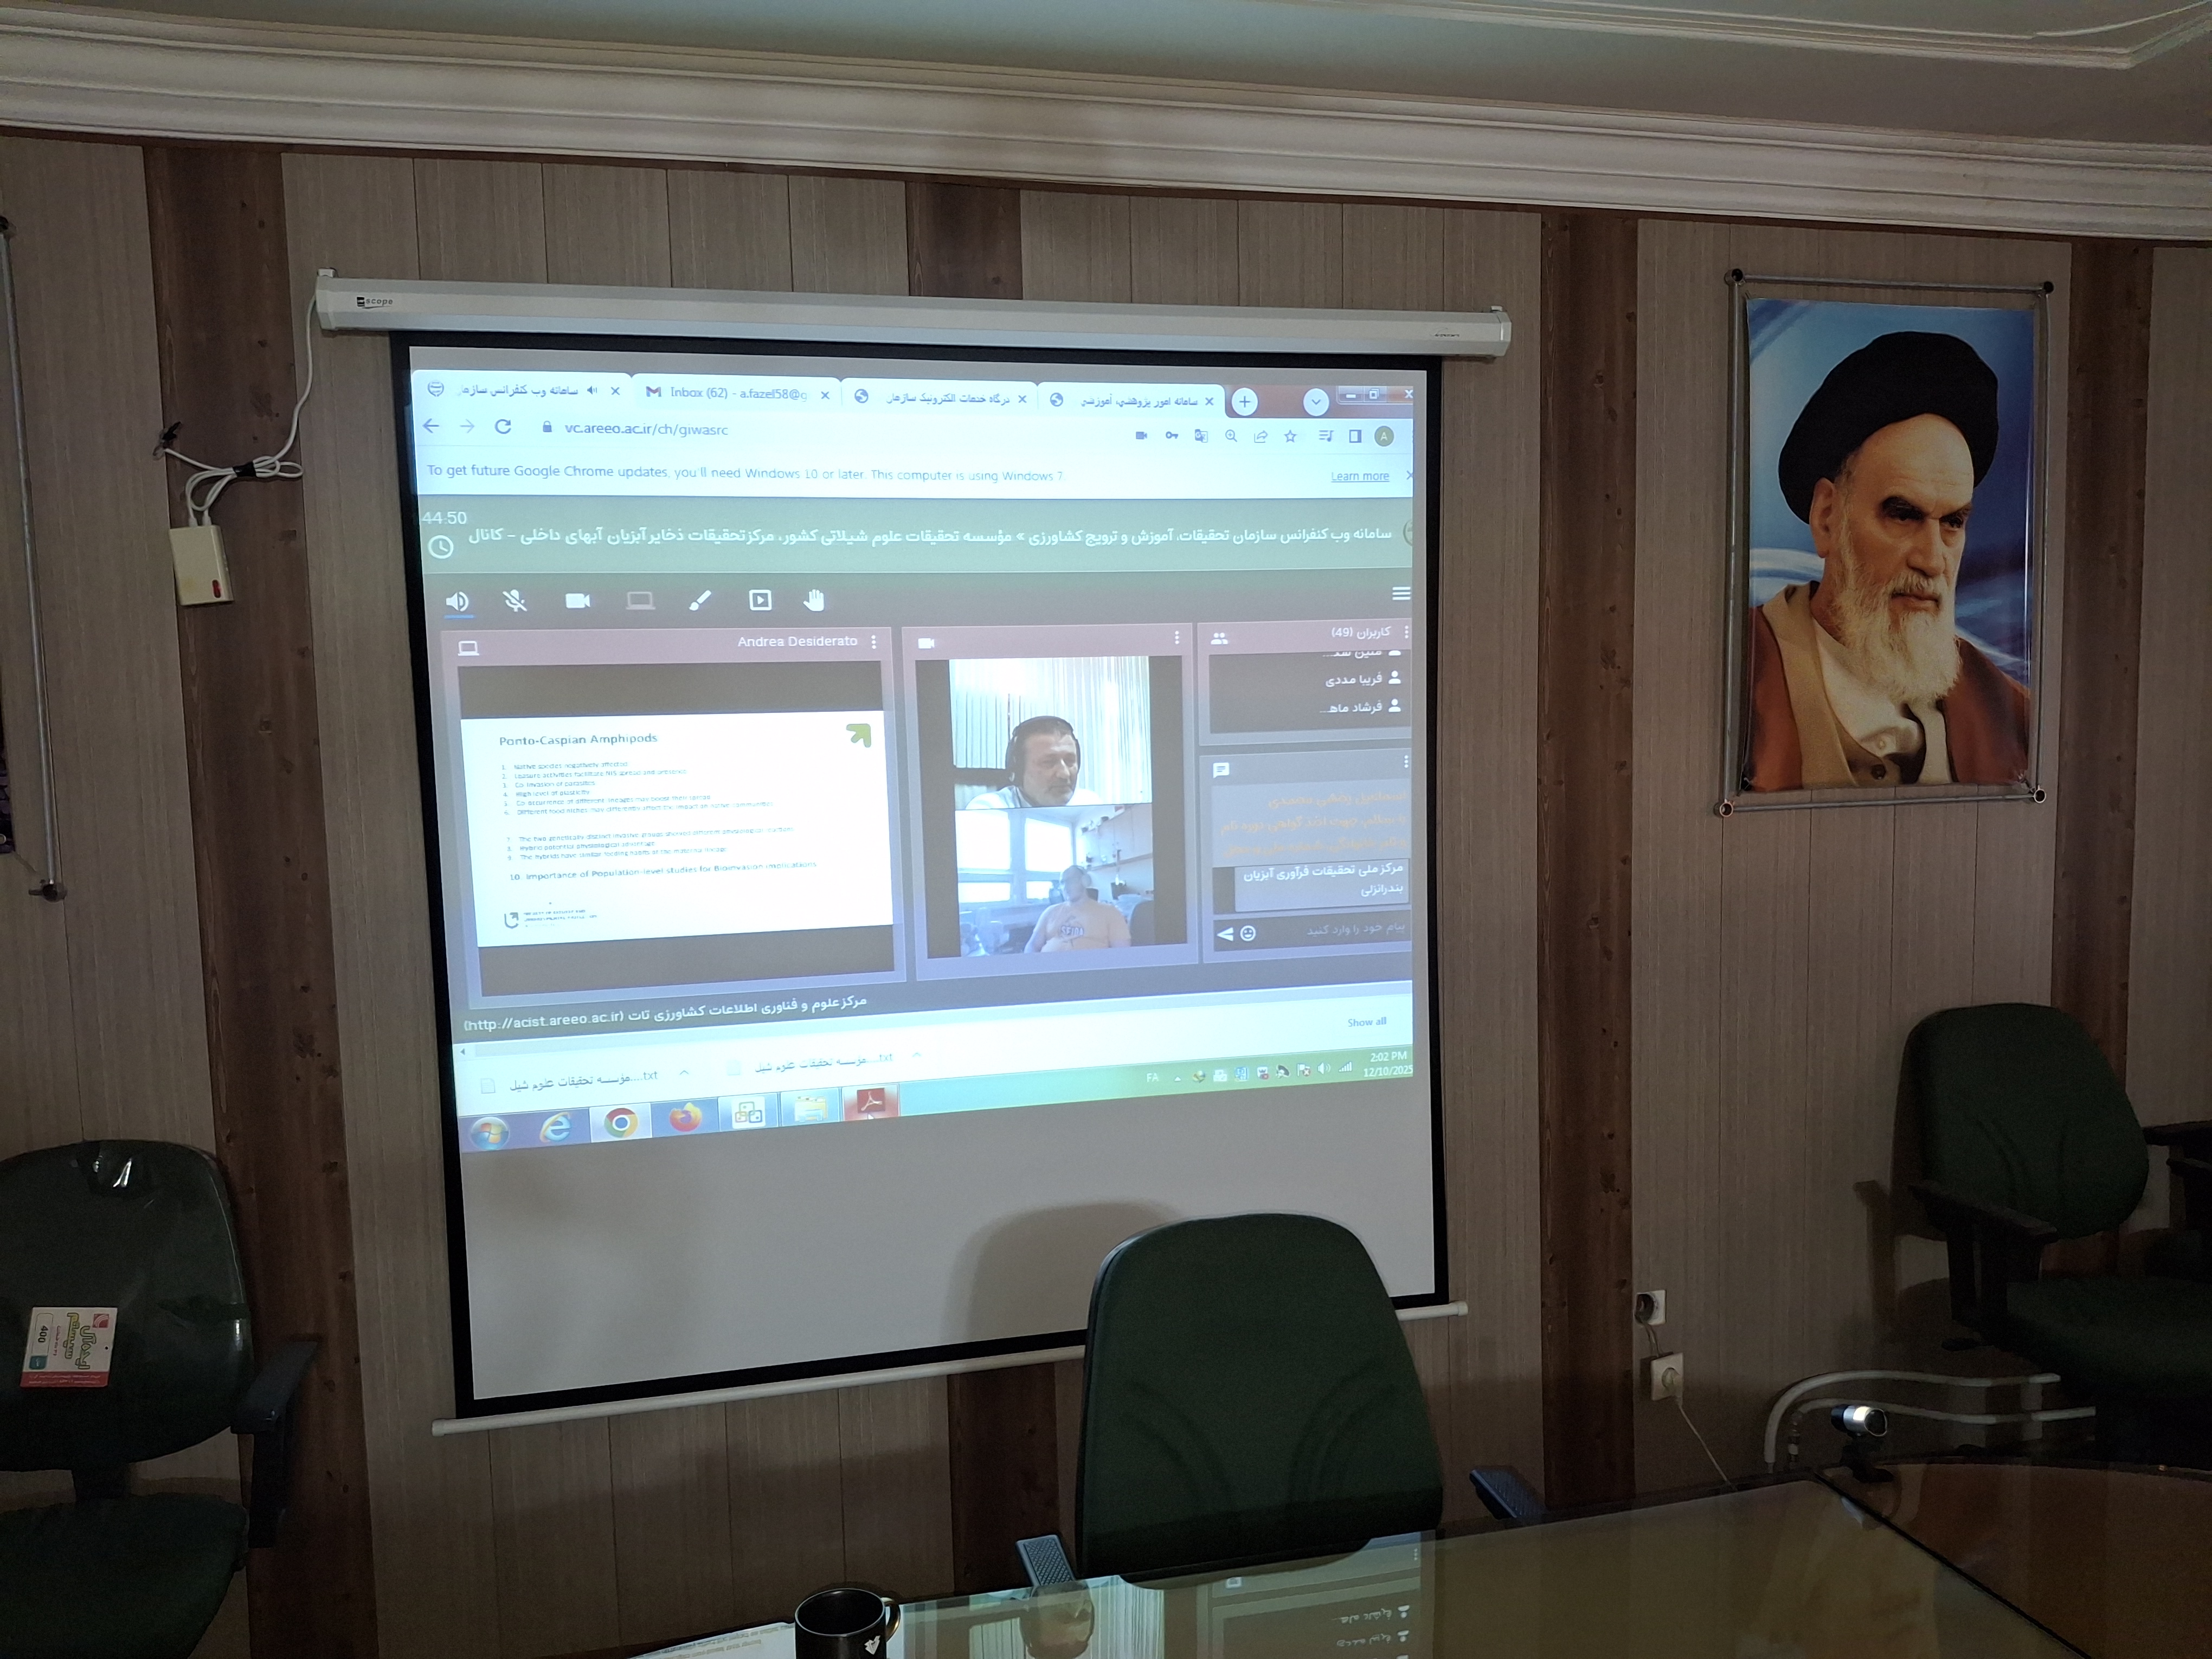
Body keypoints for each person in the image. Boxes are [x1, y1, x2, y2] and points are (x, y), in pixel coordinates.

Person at [1746, 331, 2030, 791]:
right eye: (1903, 515)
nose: (1933, 561)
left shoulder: (2012, 717)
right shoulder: (1731, 681)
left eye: (1953, 522)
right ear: (1827, 518)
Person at [966, 715, 1103, 808]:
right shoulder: (989, 809)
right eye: (1049, 762)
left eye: (1070, 761)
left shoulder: (1090, 804)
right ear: (1018, 770)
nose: (1064, 774)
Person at [1025, 866, 1130, 953]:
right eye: (1063, 882)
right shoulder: (1050, 911)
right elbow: (1033, 946)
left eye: (1071, 880)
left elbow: (1123, 954)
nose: (1066, 887)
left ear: (1085, 882)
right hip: (1049, 968)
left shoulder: (1110, 912)